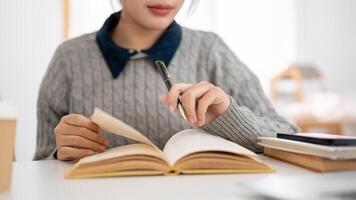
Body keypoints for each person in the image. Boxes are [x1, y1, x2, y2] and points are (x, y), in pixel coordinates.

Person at [34, 0, 297, 161]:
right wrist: (60, 153)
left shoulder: (211, 50)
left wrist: (230, 116)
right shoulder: (69, 58)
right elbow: (41, 163)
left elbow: (289, 138)